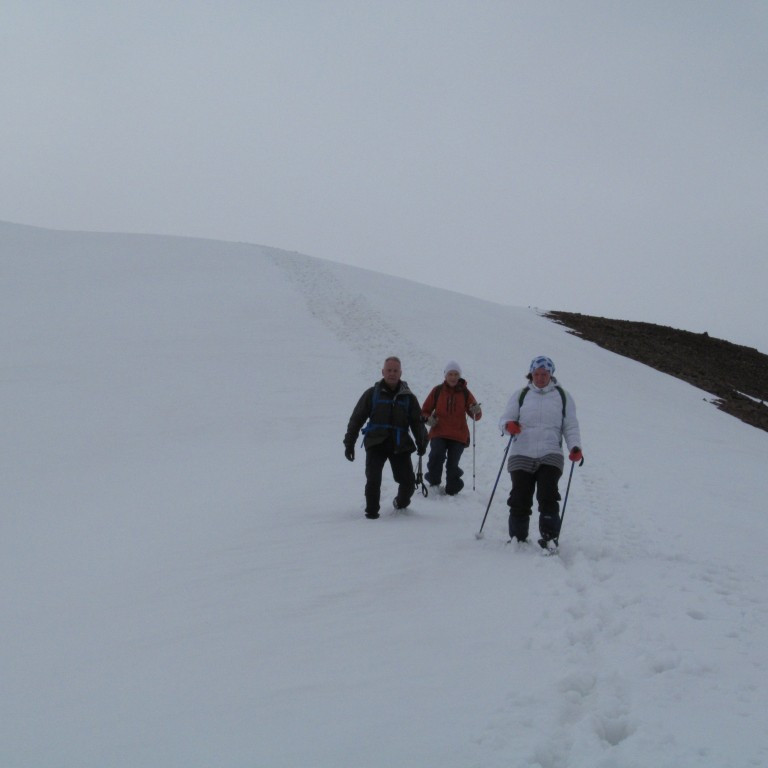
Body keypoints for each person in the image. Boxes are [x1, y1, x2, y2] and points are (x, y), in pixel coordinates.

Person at [497, 355, 583, 549]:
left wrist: (575, 447)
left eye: (544, 373)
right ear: (531, 374)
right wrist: (508, 425)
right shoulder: (521, 395)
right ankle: (517, 538)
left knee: (548, 494)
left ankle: (550, 538)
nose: (540, 377)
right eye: (536, 373)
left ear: (551, 374)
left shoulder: (563, 396)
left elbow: (570, 426)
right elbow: (504, 419)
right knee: (520, 496)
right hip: (521, 451)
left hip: (551, 452)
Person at [344, 356, 428, 519]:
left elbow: (417, 422)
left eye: (395, 370)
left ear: (401, 373)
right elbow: (356, 419)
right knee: (373, 479)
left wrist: (422, 441)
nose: (392, 373)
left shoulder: (408, 397)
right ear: (383, 372)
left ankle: (401, 503)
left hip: (400, 444)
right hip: (376, 442)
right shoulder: (372, 394)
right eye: (389, 370)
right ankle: (372, 512)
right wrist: (349, 444)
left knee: (408, 482)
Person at [420, 361, 482, 495]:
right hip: (439, 432)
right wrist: (428, 419)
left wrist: (476, 410)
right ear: (445, 375)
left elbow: (476, 416)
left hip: (458, 434)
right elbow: (424, 411)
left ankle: (453, 488)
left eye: (456, 374)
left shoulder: (465, 393)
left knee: (453, 463)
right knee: (436, 455)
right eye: (450, 374)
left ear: (459, 376)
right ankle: (434, 482)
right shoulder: (437, 391)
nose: (453, 377)